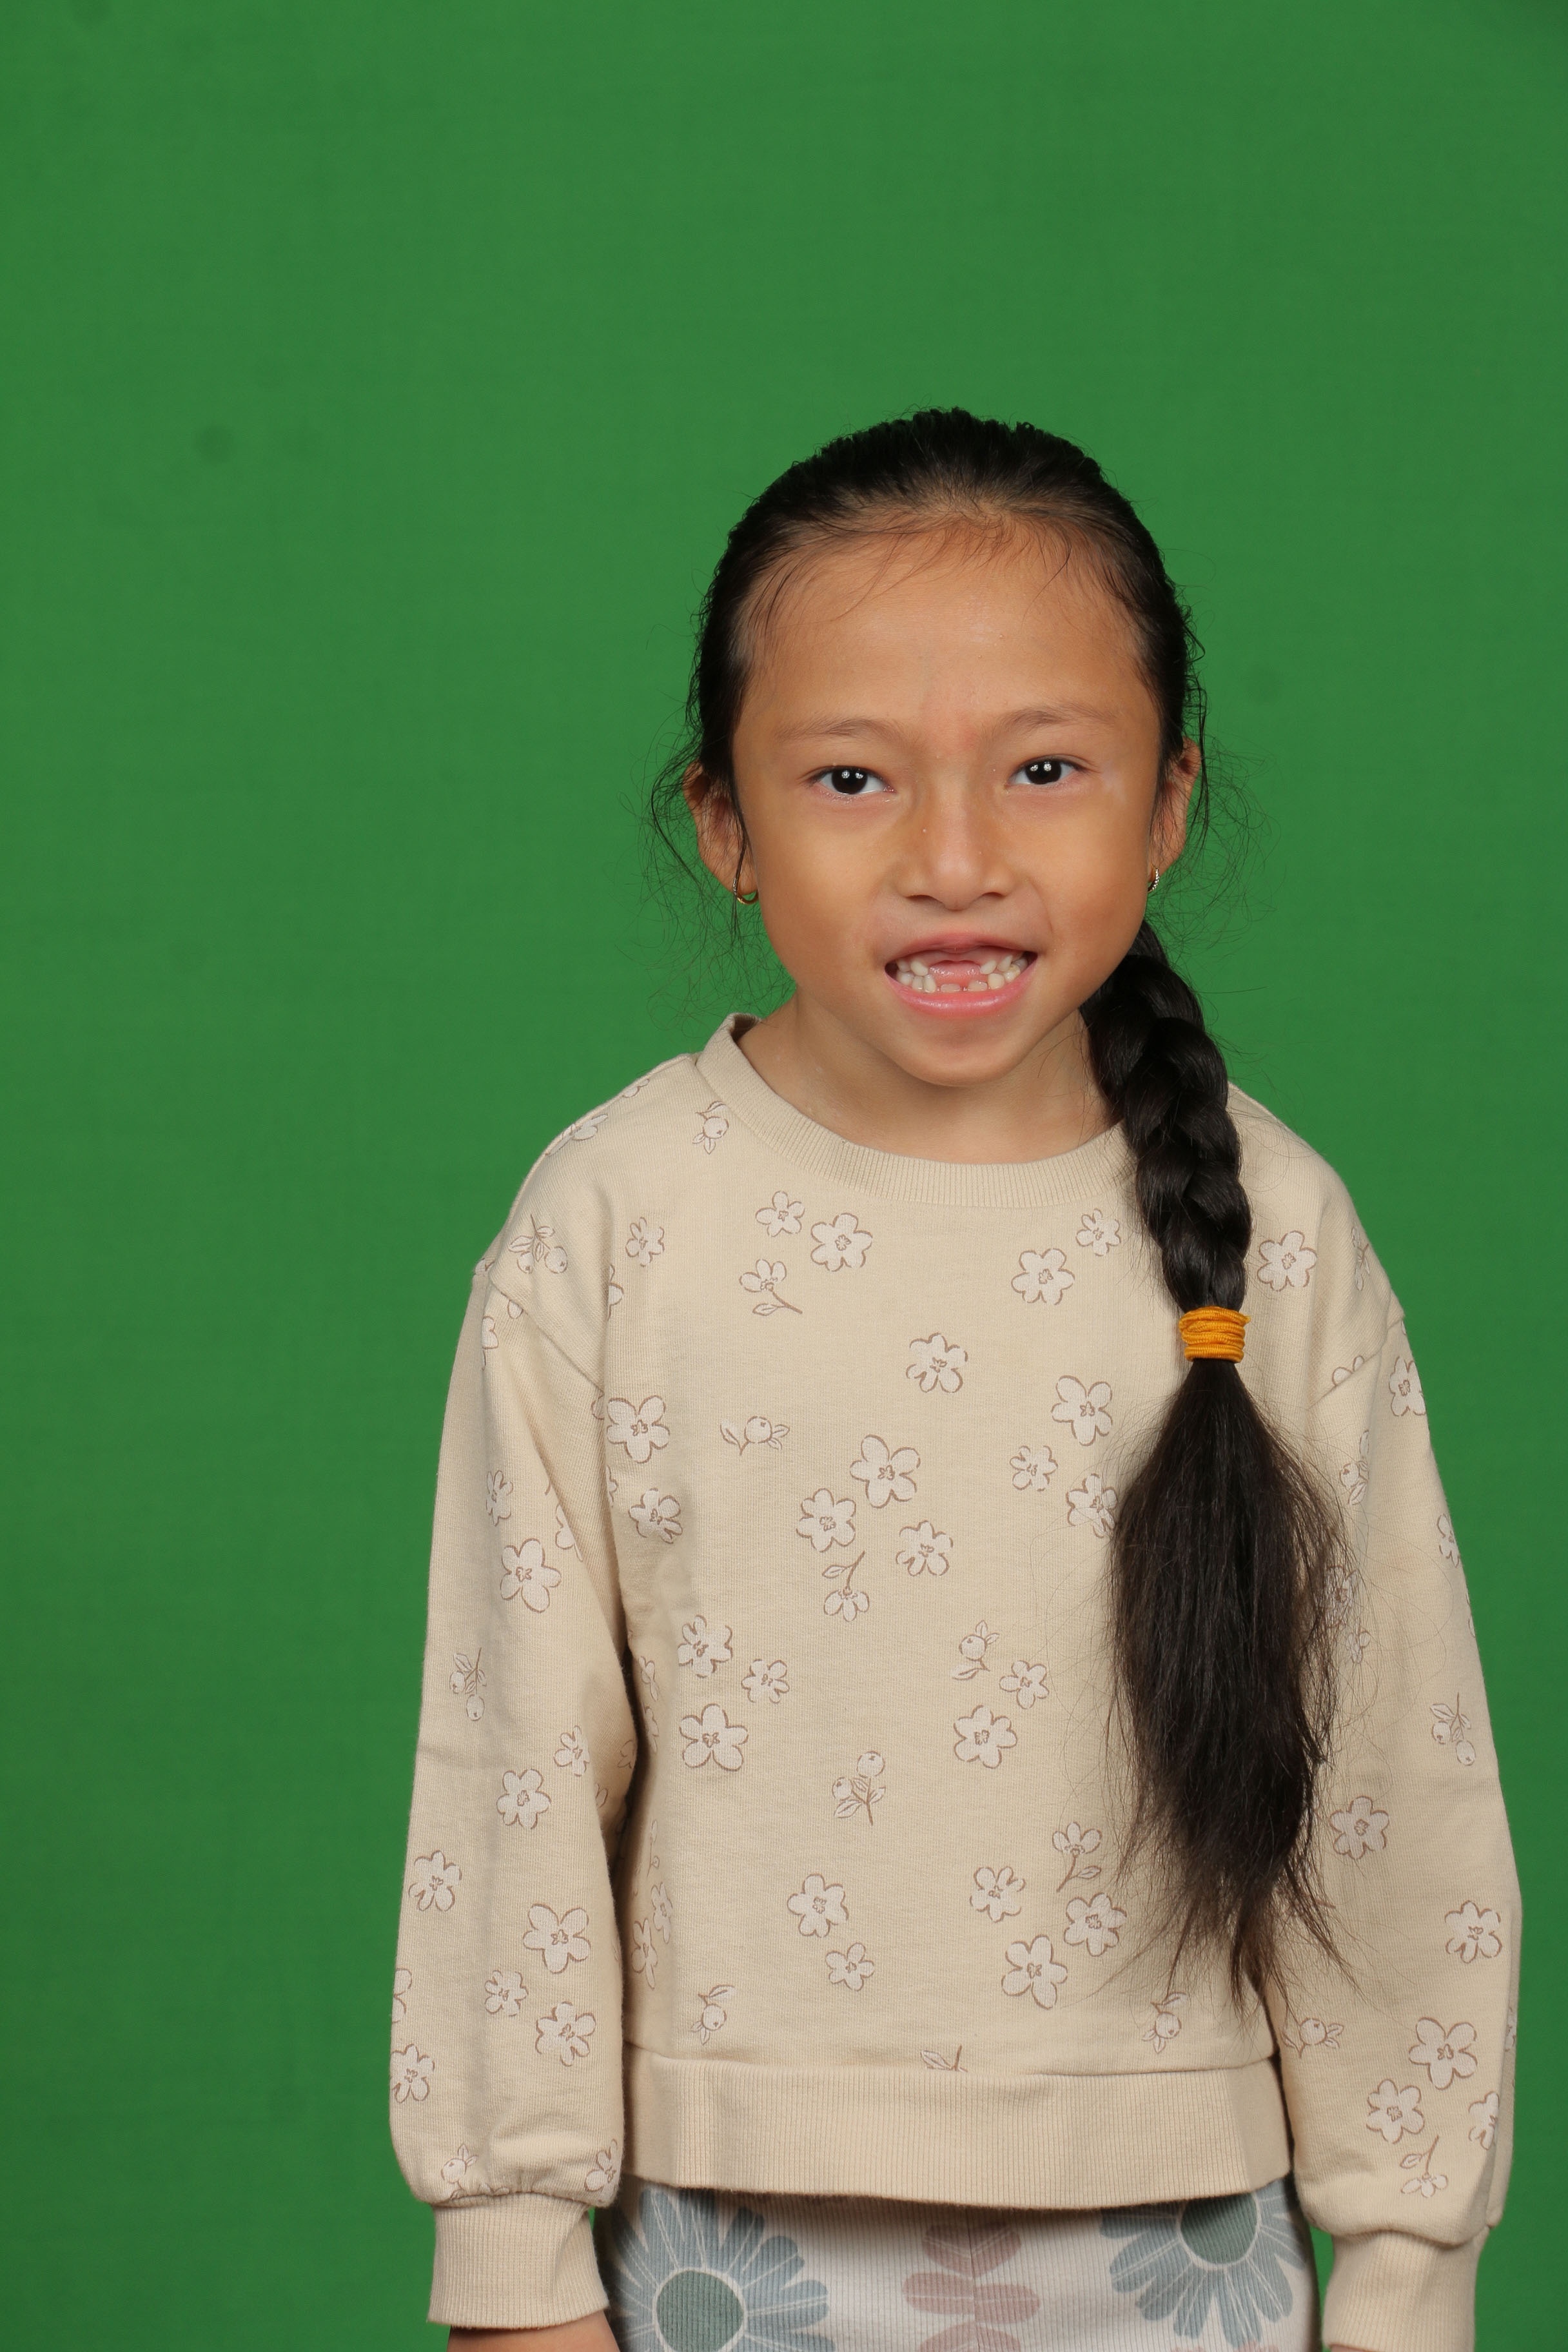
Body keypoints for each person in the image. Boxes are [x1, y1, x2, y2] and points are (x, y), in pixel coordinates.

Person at [389, 411, 1518, 2352]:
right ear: (722, 822)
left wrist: (1409, 2272)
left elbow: (1391, 1780)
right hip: (720, 2247)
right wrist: (512, 2259)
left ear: (1169, 804)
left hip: (1190, 2250)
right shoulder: (619, 1219)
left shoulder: (1278, 1234)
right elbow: (512, 1764)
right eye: (851, 778)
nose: (956, 860)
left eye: (1046, 770)